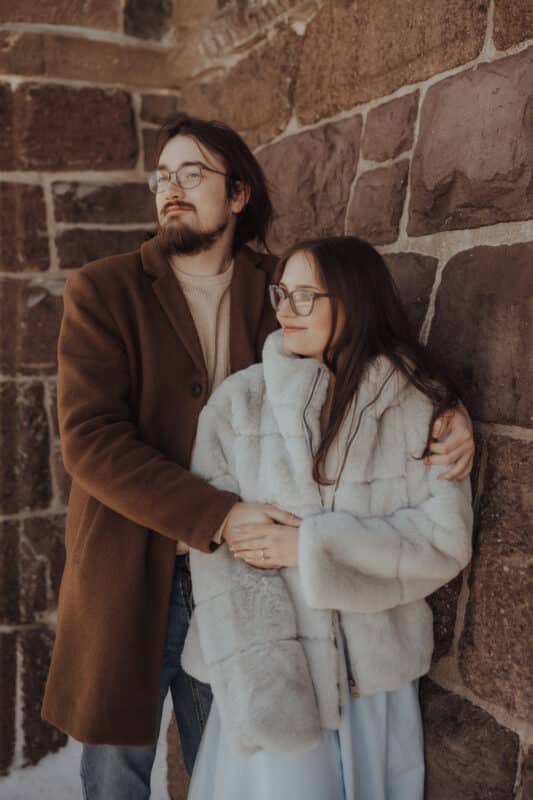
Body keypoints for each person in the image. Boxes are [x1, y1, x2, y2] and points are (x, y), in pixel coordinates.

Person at [41, 112, 474, 799]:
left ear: (238, 194)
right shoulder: (106, 288)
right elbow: (90, 440)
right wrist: (220, 513)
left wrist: (449, 413)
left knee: (231, 767)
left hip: (254, 588)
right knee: (114, 774)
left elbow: (366, 356)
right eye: (162, 177)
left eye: (192, 174)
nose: (171, 189)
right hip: (132, 566)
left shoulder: (286, 288)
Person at [184, 236, 473, 800]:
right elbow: (218, 557)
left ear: (353, 300)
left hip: (373, 685)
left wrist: (313, 547)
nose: (285, 311)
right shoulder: (238, 404)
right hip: (272, 677)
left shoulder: (419, 405)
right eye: (281, 294)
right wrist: (269, 686)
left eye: (305, 297)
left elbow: (444, 542)